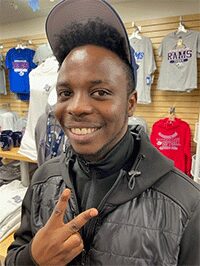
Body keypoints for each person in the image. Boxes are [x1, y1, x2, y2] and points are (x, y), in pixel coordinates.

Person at [5, 0, 200, 265]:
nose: (77, 107)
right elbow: (16, 254)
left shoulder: (186, 203)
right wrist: (32, 259)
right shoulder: (43, 180)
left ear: (130, 103)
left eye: (100, 93)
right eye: (65, 93)